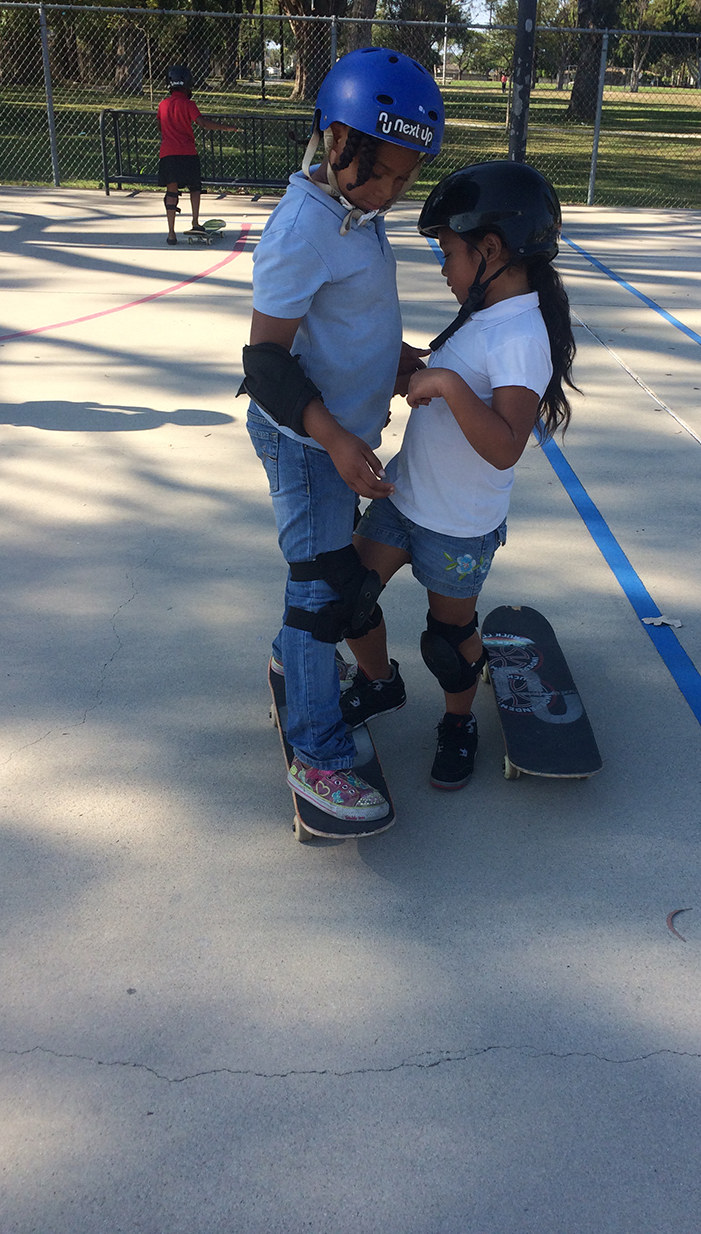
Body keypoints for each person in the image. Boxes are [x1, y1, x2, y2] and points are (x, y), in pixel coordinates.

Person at [238, 47, 444, 824]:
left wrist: (395, 362)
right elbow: (265, 362)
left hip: (334, 437)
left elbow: (347, 322)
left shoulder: (355, 213)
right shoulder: (303, 229)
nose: (390, 191)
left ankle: (289, 656)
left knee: (321, 574)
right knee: (321, 590)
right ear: (335, 140)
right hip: (303, 442)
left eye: (404, 178)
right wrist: (333, 438)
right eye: (380, 172)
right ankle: (318, 759)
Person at [339, 160, 577, 791]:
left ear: (490, 249)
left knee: (448, 640)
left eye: (448, 253)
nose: (444, 268)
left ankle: (458, 721)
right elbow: (447, 382)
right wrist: (414, 369)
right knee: (346, 595)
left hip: (459, 526)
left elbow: (505, 446)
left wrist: (444, 382)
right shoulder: (486, 313)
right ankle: (379, 683)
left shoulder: (521, 334)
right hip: (406, 497)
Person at [157, 64, 238, 245]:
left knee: (171, 192)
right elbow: (201, 122)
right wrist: (226, 127)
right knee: (194, 187)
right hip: (187, 152)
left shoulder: (162, 105)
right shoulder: (188, 104)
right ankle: (195, 221)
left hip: (167, 154)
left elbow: (159, 126)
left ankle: (171, 233)